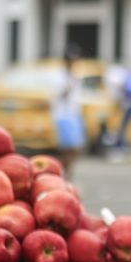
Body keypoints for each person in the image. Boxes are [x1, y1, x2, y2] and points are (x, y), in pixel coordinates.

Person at [53, 49, 86, 177]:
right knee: (67, 150)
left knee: (76, 149)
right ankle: (61, 175)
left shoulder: (74, 75)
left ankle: (68, 176)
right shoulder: (60, 76)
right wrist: (67, 88)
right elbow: (57, 96)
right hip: (63, 116)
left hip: (73, 115)